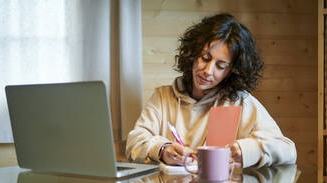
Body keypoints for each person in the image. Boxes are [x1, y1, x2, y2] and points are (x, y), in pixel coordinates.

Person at [126, 13, 297, 169]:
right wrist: (162, 150)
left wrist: (245, 150)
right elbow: (134, 143)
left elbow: (288, 150)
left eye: (220, 66)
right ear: (192, 54)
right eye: (205, 58)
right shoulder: (163, 98)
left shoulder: (240, 102)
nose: (208, 71)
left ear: (232, 71)